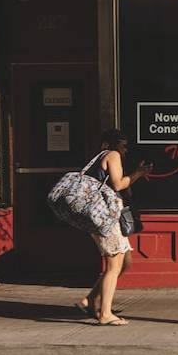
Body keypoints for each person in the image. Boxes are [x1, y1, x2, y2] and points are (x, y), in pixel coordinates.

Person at [75, 129, 151, 326]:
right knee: (114, 265)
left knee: (125, 261)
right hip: (105, 217)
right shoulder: (112, 155)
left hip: (103, 217)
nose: (125, 151)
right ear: (114, 144)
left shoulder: (100, 157)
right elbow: (118, 185)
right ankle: (105, 314)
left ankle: (91, 299)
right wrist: (138, 174)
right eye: (124, 146)